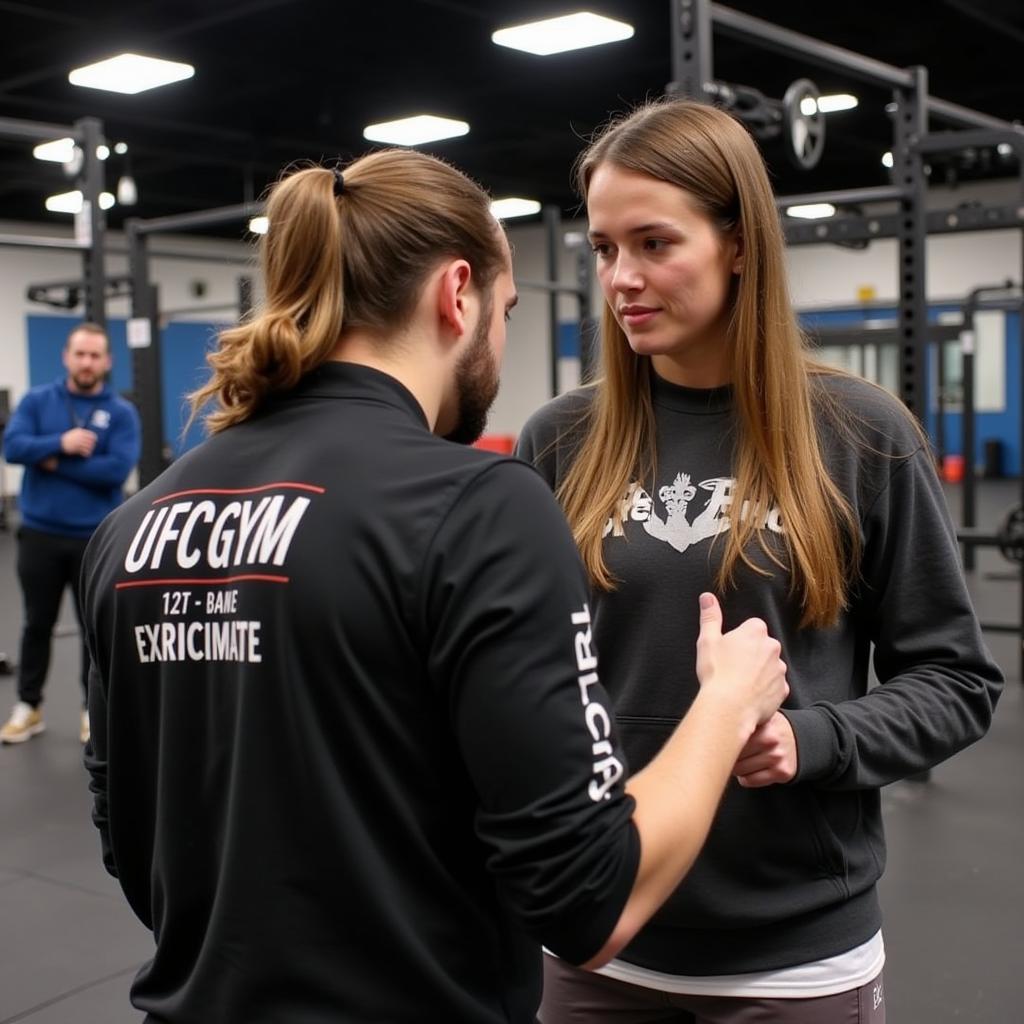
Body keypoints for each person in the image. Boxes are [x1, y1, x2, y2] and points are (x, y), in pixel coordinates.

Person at [79, 151, 788, 1024]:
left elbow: (130, 841)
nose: (499, 340)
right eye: (507, 312)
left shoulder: (132, 526)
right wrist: (726, 703)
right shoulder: (480, 506)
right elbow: (589, 903)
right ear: (459, 294)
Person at [515, 98, 1005, 1024]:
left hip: (788, 957)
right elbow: (537, 678)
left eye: (656, 243)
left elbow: (955, 679)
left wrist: (808, 739)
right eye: (606, 248)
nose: (622, 277)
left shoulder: (862, 434)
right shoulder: (560, 439)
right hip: (601, 942)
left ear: (738, 243)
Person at [1, 322, 140, 745]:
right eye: (80, 354)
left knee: (92, 629)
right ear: (67, 357)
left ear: (107, 362)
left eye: (95, 355)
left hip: (94, 540)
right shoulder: (39, 401)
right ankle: (29, 707)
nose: (87, 362)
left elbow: (115, 471)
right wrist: (60, 442)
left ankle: (90, 712)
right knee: (35, 624)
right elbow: (12, 447)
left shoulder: (120, 413)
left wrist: (52, 462)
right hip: (39, 535)